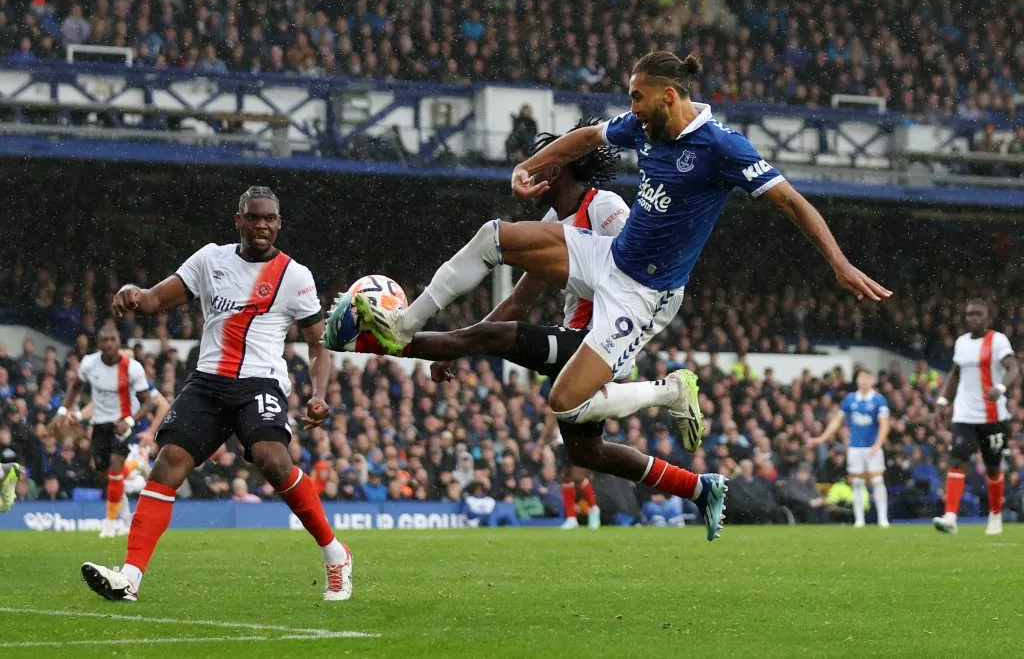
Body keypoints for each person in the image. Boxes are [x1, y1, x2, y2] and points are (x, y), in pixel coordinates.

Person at [346, 50, 890, 541]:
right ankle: (402, 325)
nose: (630, 106)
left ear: (668, 96)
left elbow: (792, 201)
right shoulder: (644, 128)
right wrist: (528, 167)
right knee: (495, 236)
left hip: (644, 296)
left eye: (637, 95)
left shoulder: (721, 147)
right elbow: (586, 138)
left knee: (566, 403)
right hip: (608, 260)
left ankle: (667, 392)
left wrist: (838, 263)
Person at [328, 119, 630, 530]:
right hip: (576, 348)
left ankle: (372, 337)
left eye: (547, 161)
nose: (537, 168)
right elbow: (519, 301)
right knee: (585, 455)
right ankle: (698, 487)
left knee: (580, 454)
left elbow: (637, 276)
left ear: (559, 167)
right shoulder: (555, 225)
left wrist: (623, 344)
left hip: (600, 343)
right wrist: (460, 346)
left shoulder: (605, 206)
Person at [80, 186, 353, 602]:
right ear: (238, 221)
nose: (262, 225)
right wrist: (134, 292)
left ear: (279, 224)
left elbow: (319, 344)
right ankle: (130, 577)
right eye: (253, 217)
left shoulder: (294, 276)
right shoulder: (210, 259)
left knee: (273, 460)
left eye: (269, 219)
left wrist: (319, 393)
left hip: (260, 382)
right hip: (208, 381)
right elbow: (154, 300)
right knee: (168, 463)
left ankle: (335, 553)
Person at [56, 325, 154, 538]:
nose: (109, 344)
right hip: (100, 424)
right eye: (104, 340)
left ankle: (109, 524)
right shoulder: (89, 364)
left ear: (118, 343)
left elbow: (148, 403)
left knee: (115, 469)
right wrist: (64, 410)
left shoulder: (132, 368)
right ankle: (136, 465)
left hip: (122, 423)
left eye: (112, 340)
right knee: (104, 473)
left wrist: (129, 421)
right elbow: (76, 387)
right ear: (99, 344)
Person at [933, 299, 1019, 535]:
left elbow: (1013, 368)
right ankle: (950, 516)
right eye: (969, 314)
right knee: (956, 460)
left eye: (978, 314)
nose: (973, 318)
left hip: (992, 415)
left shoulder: (998, 340)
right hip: (964, 414)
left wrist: (1000, 388)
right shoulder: (961, 343)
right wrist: (943, 400)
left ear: (987, 317)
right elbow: (955, 373)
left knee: (992, 468)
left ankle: (995, 515)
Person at [810, 370, 891, 527]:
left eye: (867, 378)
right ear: (857, 380)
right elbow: (836, 421)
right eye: (861, 378)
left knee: (877, 481)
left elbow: (884, 424)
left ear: (872, 380)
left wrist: (878, 444)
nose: (864, 381)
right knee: (857, 483)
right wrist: (822, 438)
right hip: (855, 448)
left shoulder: (878, 400)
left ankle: (883, 519)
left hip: (872, 446)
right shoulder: (850, 399)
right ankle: (859, 519)